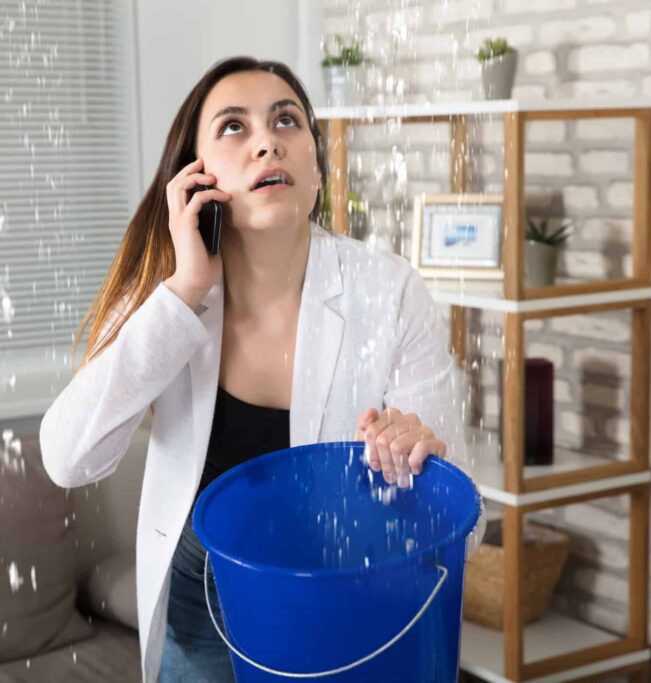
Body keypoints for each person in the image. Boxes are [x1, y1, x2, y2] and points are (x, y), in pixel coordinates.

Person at [39, 56, 483, 683]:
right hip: (198, 612)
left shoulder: (390, 293)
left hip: (346, 612)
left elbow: (464, 534)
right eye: (232, 127)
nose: (267, 140)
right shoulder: (165, 294)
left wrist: (425, 469)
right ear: (195, 176)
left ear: (318, 168)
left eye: (286, 121)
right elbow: (69, 458)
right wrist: (186, 289)